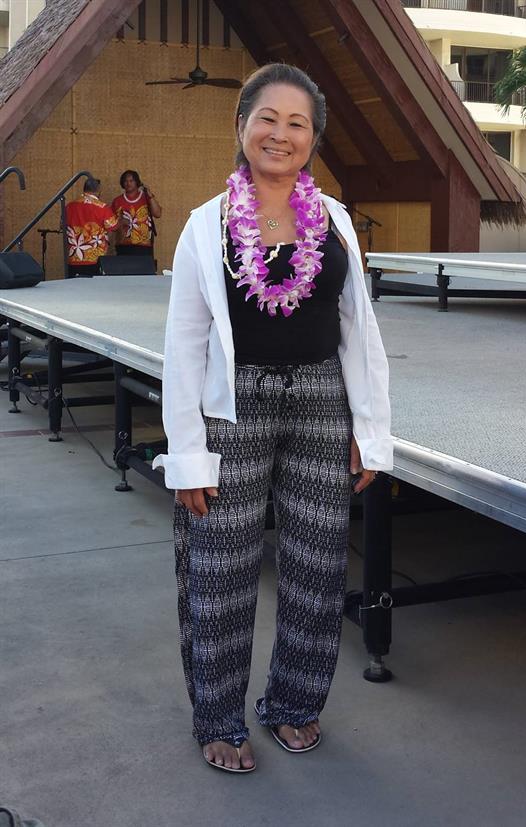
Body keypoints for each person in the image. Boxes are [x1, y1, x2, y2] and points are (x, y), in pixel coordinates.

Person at [153, 63, 393, 774]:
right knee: (219, 567)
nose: (280, 134)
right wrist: (187, 454)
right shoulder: (207, 225)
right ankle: (219, 715)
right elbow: (185, 345)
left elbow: (361, 331)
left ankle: (293, 702)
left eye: (297, 123)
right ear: (241, 127)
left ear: (312, 139)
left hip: (324, 401)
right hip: (234, 408)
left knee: (317, 564)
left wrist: (369, 431)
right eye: (267, 118)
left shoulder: (337, 221)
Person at [65, 177, 118, 277]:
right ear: (98, 191)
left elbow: (62, 226)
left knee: (74, 289)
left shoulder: (69, 206)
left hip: (74, 257)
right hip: (96, 258)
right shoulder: (102, 207)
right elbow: (114, 227)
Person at [111, 170, 162, 256]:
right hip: (123, 245)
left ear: (137, 182)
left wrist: (150, 195)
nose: (128, 183)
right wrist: (120, 222)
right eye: (126, 181)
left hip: (144, 246)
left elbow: (158, 214)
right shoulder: (117, 201)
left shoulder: (146, 197)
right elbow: (111, 225)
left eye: (131, 181)